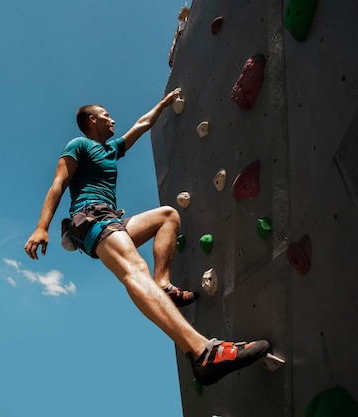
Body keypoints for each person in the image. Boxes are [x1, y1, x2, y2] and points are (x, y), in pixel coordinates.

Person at [24, 88, 269, 385]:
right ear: (92, 120)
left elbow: (141, 125)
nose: (112, 119)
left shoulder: (110, 149)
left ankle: (162, 283)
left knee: (168, 216)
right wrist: (41, 226)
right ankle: (202, 352)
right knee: (134, 269)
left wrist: (164, 104)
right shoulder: (79, 144)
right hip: (89, 218)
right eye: (106, 115)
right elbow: (58, 183)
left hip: (111, 219)